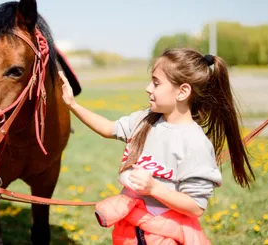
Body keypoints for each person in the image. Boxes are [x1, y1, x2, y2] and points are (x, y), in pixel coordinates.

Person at [60, 48, 255, 245]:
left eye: (156, 83)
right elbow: (109, 128)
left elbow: (195, 206)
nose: (148, 88)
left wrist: (154, 189)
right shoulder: (144, 120)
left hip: (164, 237)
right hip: (130, 232)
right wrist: (72, 105)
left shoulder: (195, 144)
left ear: (183, 92)